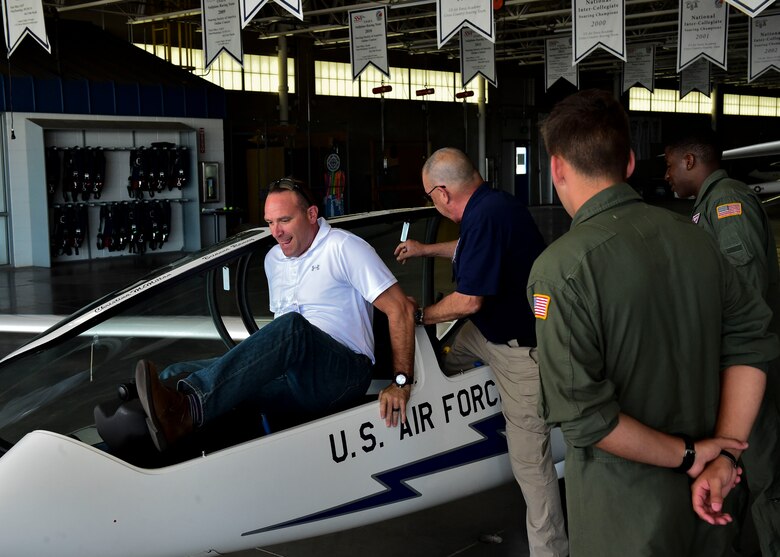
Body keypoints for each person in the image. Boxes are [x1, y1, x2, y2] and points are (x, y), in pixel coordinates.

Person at [527, 89, 777, 556]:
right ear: (628, 163)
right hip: (711, 510)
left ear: (557, 167)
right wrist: (721, 454)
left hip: (624, 520)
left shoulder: (560, 270)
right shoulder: (699, 241)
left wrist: (687, 455)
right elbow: (752, 342)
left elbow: (585, 418)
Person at [135, 178, 416, 452]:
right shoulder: (273, 260)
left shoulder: (344, 247)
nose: (276, 231)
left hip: (342, 373)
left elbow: (400, 308)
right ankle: (141, 423)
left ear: (311, 214)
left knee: (292, 327)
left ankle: (189, 408)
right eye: (270, 223)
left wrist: (400, 383)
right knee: (181, 373)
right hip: (292, 375)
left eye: (284, 220)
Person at [394, 147, 568, 557]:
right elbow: (470, 249)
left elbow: (469, 300)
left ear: (442, 191)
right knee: (441, 360)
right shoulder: (491, 206)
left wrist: (418, 316)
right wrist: (425, 250)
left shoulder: (487, 216)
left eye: (429, 196)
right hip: (487, 333)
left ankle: (551, 550)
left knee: (530, 461)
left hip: (519, 350)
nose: (431, 204)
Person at [665, 129, 780, 557]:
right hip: (732, 362)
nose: (668, 175)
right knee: (737, 473)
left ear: (690, 161)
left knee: (766, 474)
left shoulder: (726, 200)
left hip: (748, 365)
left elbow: (744, 289)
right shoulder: (707, 205)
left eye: (670, 164)